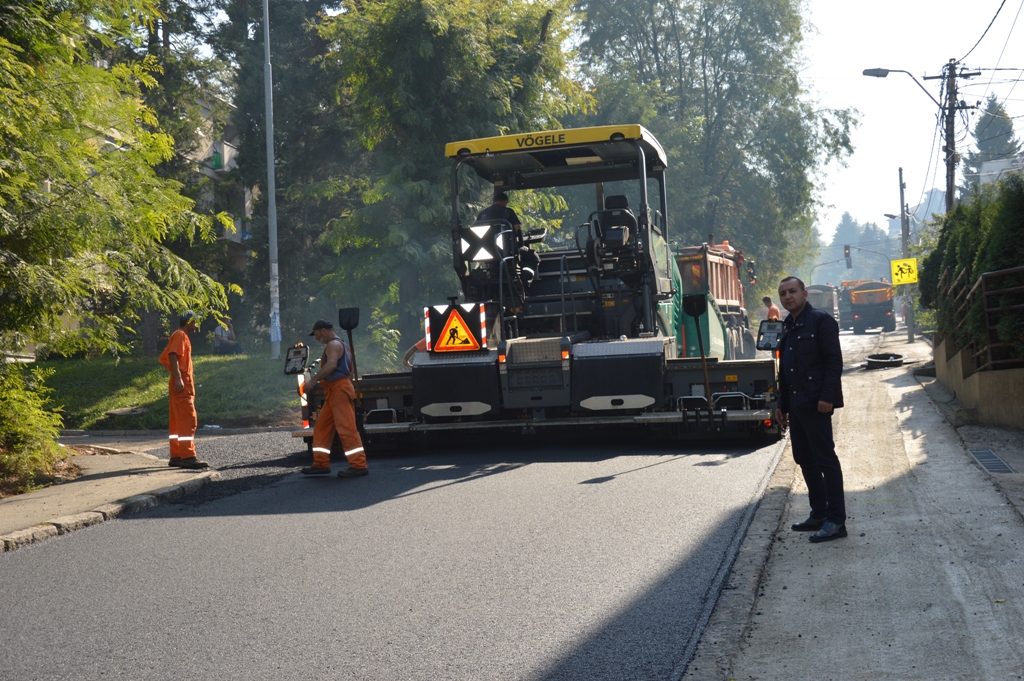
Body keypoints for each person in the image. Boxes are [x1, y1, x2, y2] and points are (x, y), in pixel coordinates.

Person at [775, 276, 846, 542]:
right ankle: (818, 513)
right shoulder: (788, 326)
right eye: (783, 293)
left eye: (792, 291)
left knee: (826, 460)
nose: (787, 296)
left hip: (817, 403)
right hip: (796, 405)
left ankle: (836, 521)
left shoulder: (821, 321)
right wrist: (782, 405)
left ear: (805, 293)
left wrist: (827, 396)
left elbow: (833, 360)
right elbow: (786, 370)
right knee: (804, 459)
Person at [301, 319, 368, 478]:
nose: (317, 338)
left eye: (317, 334)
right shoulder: (340, 345)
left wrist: (313, 380)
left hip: (338, 390)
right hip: (333, 391)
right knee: (321, 427)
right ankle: (320, 464)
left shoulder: (333, 345)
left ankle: (359, 465)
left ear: (323, 330)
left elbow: (331, 365)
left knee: (346, 428)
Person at [158, 311, 210, 469]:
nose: (196, 326)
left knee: (176, 422)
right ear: (188, 321)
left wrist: (175, 376)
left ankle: (177, 456)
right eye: (195, 323)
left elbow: (164, 357)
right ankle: (188, 456)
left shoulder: (178, 335)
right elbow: (172, 355)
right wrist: (179, 377)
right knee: (188, 420)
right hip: (182, 385)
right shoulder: (180, 335)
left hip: (179, 384)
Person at [476, 192, 541, 283]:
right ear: (505, 201)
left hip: (485, 251)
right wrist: (521, 244)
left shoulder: (481, 214)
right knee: (534, 257)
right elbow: (517, 229)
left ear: (494, 201)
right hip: (507, 250)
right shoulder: (508, 212)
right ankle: (525, 280)